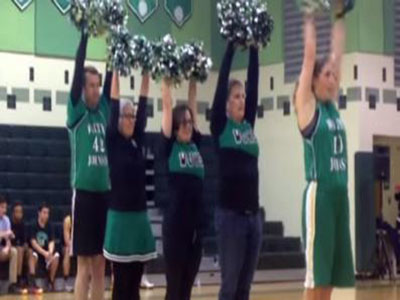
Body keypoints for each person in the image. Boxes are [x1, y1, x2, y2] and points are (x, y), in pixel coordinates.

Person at [293, 1, 355, 299]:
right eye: (327, 74)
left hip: (340, 196)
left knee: (329, 279)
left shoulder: (332, 109)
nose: (333, 77)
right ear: (315, 80)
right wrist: (310, 15)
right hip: (320, 197)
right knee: (315, 280)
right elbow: (308, 57)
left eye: (334, 74)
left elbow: (338, 53)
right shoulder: (308, 108)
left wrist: (340, 13)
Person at [210, 40, 262, 300]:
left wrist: (254, 49)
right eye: (237, 96)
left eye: (243, 96)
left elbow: (254, 86)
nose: (242, 100)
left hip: (253, 216)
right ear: (227, 105)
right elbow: (220, 88)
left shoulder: (248, 126)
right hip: (230, 217)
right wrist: (229, 48)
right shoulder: (221, 126)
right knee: (229, 287)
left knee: (244, 288)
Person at [103, 71, 157, 300]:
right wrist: (116, 67)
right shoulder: (113, 140)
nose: (132, 120)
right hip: (120, 219)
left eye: (133, 116)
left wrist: (146, 72)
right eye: (127, 116)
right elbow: (114, 101)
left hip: (139, 218)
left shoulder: (138, 139)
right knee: (121, 283)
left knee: (135, 281)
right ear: (118, 120)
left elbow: (143, 102)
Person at [68, 28, 112, 300]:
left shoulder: (105, 110)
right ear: (83, 89)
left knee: (100, 264)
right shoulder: (77, 111)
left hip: (104, 195)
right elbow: (76, 69)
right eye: (91, 85)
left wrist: (116, 37)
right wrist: (85, 33)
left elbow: (114, 71)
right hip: (83, 195)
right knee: (84, 264)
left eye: (98, 84)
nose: (96, 89)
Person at [161, 78, 206, 300]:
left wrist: (193, 77)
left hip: (195, 230)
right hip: (175, 228)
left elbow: (193, 103)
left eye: (190, 122)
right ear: (176, 127)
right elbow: (167, 105)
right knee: (175, 288)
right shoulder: (170, 146)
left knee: (187, 288)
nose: (188, 125)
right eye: (184, 122)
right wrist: (166, 79)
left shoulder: (196, 143)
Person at [28, 203, 59, 292]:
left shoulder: (50, 226)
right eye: (44, 213)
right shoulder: (33, 224)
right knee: (32, 254)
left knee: (56, 256)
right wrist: (44, 253)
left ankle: (51, 281)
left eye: (48, 213)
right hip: (37, 252)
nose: (46, 215)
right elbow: (33, 242)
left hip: (46, 253)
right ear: (39, 213)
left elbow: (51, 241)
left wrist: (49, 251)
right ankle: (32, 282)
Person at [0, 196, 19, 294]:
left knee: (14, 252)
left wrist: (7, 248)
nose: (4, 210)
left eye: (5, 208)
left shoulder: (6, 219)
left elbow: (8, 239)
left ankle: (12, 284)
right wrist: (5, 233)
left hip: (2, 250)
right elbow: (6, 233)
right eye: (2, 207)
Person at [10, 201, 28, 294]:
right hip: (10, 247)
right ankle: (17, 281)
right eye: (17, 211)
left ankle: (28, 280)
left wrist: (25, 246)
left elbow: (24, 241)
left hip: (19, 248)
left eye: (20, 212)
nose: (19, 214)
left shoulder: (22, 224)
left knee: (29, 252)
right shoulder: (9, 223)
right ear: (13, 213)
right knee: (19, 251)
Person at [63, 214, 74, 292]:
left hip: (81, 245)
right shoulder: (68, 220)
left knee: (90, 254)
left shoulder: (85, 217)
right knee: (67, 250)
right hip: (68, 245)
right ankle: (66, 282)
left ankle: (89, 282)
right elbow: (67, 240)